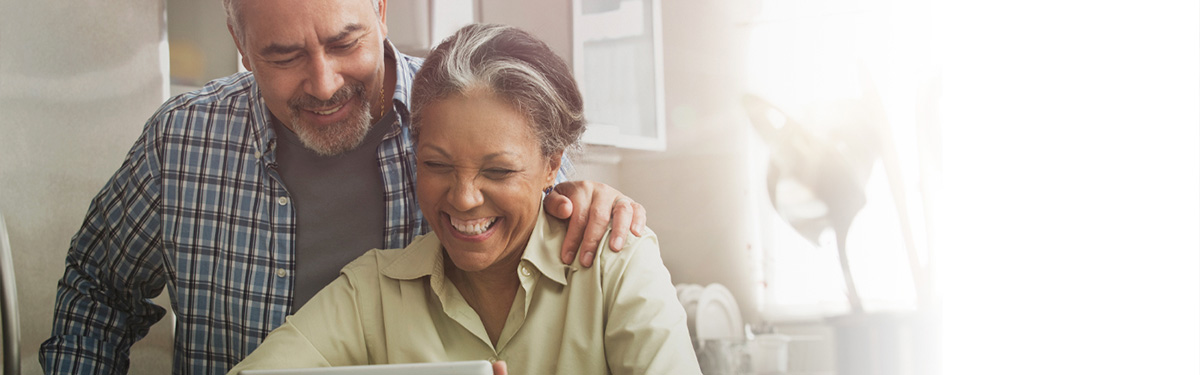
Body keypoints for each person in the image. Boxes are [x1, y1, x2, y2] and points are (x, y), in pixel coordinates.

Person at [39, 1, 646, 374]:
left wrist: (590, 201)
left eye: (344, 42)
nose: (324, 83)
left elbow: (548, 213)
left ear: (380, 10)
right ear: (239, 42)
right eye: (284, 56)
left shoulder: (466, 107)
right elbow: (98, 289)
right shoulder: (181, 141)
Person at [228, 23, 700, 375]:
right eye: (437, 165)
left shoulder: (615, 266)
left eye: (498, 171)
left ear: (552, 164)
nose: (464, 197)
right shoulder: (372, 292)